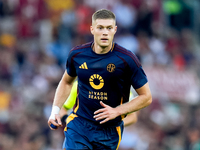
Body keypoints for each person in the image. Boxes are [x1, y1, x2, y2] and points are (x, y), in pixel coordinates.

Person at [48, 9, 152, 150]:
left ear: (115, 30)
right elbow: (66, 81)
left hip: (109, 132)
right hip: (80, 125)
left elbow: (146, 97)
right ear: (92, 29)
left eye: (109, 28)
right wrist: (55, 111)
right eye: (100, 28)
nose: (105, 32)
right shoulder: (77, 55)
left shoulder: (127, 59)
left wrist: (117, 111)